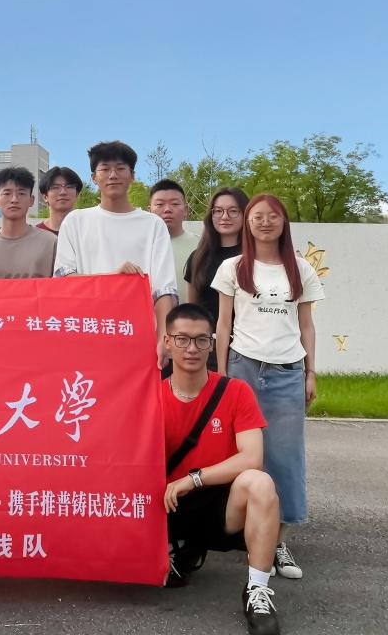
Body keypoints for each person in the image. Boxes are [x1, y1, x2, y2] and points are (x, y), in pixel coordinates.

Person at [213, 193, 325, 581]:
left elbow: (307, 325)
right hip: (242, 368)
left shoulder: (300, 268)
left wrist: (310, 372)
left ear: (283, 222)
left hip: (287, 371)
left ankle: (277, 542)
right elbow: (223, 324)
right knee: (243, 455)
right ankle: (246, 533)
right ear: (247, 223)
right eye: (257, 216)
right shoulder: (233, 267)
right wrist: (223, 375)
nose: (265, 222)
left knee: (285, 458)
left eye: (272, 216)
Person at [161, 304, 282, 635]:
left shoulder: (235, 391)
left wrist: (193, 479)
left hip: (221, 507)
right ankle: (174, 552)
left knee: (260, 482)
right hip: (166, 506)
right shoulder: (150, 397)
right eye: (182, 339)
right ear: (167, 342)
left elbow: (252, 457)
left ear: (212, 344)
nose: (192, 348)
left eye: (201, 340)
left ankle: (257, 590)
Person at [54, 141, 178, 366]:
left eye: (120, 168)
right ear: (94, 178)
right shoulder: (75, 221)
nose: (113, 175)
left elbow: (164, 290)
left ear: (132, 176)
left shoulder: (153, 224)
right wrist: (113, 279)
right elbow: (63, 281)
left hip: (139, 337)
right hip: (87, 333)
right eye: (105, 169)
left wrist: (163, 337)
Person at [185, 188, 249, 369]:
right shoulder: (198, 257)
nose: (225, 217)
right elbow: (194, 309)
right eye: (218, 211)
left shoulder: (255, 258)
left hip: (247, 348)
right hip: (208, 348)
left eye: (233, 211)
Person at [0, 167, 57, 279]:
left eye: (21, 193)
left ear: (31, 200)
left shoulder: (51, 243)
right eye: (7, 193)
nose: (14, 199)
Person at [149, 179, 199, 302]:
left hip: (192, 313)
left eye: (175, 204)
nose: (167, 209)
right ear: (149, 211)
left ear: (186, 210)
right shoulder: (140, 247)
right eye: (160, 204)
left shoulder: (202, 245)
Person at [37, 166, 82, 235]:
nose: (63, 192)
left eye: (69, 187)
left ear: (77, 194)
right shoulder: (35, 234)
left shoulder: (88, 230)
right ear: (45, 197)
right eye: (55, 187)